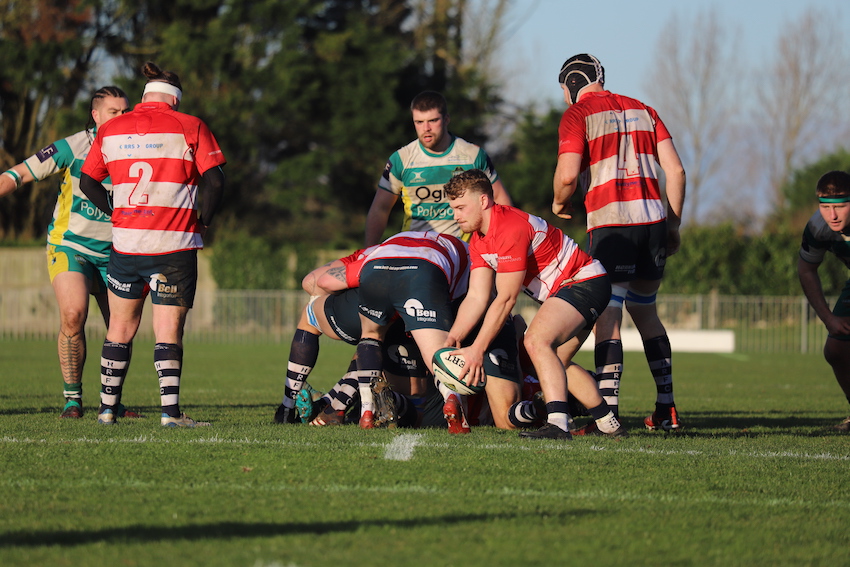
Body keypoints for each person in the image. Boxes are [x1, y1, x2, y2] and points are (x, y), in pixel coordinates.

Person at [79, 62, 226, 427]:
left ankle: (106, 410)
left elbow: (87, 182)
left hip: (126, 246)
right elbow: (216, 182)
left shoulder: (111, 128)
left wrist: (116, 211)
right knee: (168, 332)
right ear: (175, 98)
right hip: (174, 245)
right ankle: (170, 414)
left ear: (145, 96)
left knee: (120, 329)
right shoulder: (190, 125)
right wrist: (203, 222)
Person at [552, 53, 687, 431]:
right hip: (654, 223)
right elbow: (675, 170)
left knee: (608, 315)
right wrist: (673, 225)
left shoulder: (577, 115)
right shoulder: (645, 109)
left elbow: (566, 176)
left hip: (613, 225)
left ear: (570, 85)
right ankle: (666, 407)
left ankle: (607, 413)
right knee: (645, 312)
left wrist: (559, 201)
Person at [444, 169, 626, 440]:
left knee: (536, 341)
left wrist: (477, 350)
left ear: (483, 201)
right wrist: (454, 337)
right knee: (554, 361)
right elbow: (477, 297)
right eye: (452, 208)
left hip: (583, 282)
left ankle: (557, 424)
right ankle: (609, 424)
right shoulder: (479, 240)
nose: (455, 215)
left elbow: (506, 298)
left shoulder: (509, 227)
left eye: (460, 207)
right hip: (575, 287)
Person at [0, 86, 142, 420]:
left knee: (122, 327)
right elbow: (19, 173)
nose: (122, 118)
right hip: (71, 245)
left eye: (126, 112)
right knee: (73, 314)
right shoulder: (73, 147)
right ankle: (72, 399)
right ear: (96, 115)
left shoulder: (138, 148)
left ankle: (111, 401)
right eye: (114, 112)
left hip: (118, 253)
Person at [364, 91, 512, 246]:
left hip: (462, 253)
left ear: (446, 119)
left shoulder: (473, 156)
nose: (426, 128)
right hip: (414, 250)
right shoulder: (401, 159)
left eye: (433, 120)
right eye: (419, 122)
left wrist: (503, 246)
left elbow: (500, 200)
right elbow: (380, 209)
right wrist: (368, 251)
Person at [798, 170, 850, 433]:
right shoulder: (818, 227)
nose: (832, 215)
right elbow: (806, 270)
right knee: (836, 351)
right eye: (825, 206)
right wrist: (829, 318)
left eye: (840, 207)